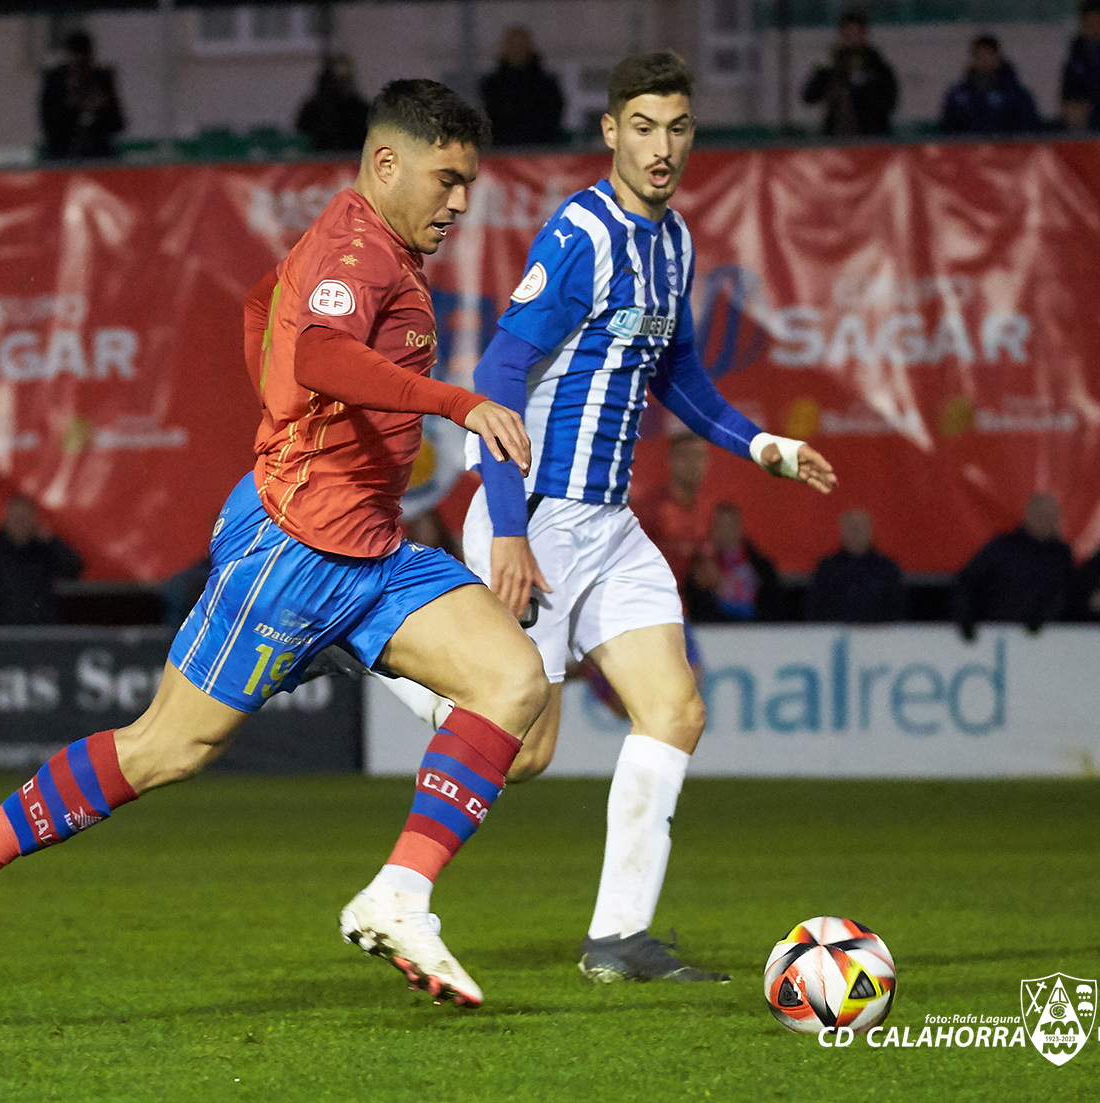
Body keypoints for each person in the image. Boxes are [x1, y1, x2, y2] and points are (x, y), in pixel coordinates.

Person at [0, 80, 546, 1012]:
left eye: (468, 184)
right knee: (167, 748)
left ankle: (399, 895)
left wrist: (283, 411)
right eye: (446, 180)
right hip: (294, 550)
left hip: (367, 550)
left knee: (513, 681)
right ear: (386, 162)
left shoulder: (374, 252)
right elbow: (319, 351)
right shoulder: (354, 248)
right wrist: (456, 402)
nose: (459, 202)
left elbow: (261, 308)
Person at [382, 53, 836, 984]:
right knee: (525, 752)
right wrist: (506, 527)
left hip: (610, 524)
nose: (659, 147)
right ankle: (382, 653)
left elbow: (680, 376)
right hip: (539, 516)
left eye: (675, 127)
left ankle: (618, 940)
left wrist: (763, 448)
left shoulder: (673, 244)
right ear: (610, 133)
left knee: (675, 708)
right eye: (642, 126)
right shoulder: (582, 231)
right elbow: (502, 374)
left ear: (690, 134)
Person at [950, 493, 1074, 640]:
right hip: (993, 633)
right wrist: (965, 618)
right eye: (1042, 516)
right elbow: (968, 581)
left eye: (1052, 518)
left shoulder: (1061, 555)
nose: (1047, 522)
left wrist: (1044, 617)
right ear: (1029, 516)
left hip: (1042, 639)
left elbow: (1065, 593)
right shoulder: (1002, 547)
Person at [0, 496, 84, 626]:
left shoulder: (45, 554)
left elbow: (74, 568)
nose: (20, 525)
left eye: (25, 520)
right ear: (6, 522)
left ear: (34, 523)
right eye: (16, 520)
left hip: (41, 634)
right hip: (3, 635)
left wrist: (51, 541)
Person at [635, 432, 719, 593]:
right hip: (658, 598)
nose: (693, 464)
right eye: (686, 456)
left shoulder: (709, 507)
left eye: (699, 456)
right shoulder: (651, 507)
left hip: (702, 605)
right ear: (670, 461)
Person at [801, 9, 898, 138]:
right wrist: (826, 68)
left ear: (864, 35)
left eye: (857, 34)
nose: (853, 40)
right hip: (838, 137)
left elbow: (889, 101)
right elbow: (809, 96)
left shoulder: (877, 66)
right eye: (848, 35)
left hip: (871, 137)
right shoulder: (831, 65)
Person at [686, 502, 785, 623]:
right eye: (721, 525)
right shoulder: (703, 565)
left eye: (730, 524)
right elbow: (696, 604)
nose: (727, 530)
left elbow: (773, 601)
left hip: (756, 629)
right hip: (718, 629)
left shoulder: (760, 565)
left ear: (739, 526)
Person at [803, 509, 907, 623]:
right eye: (851, 527)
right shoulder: (827, 568)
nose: (856, 532)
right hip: (837, 637)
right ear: (842, 530)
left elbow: (898, 610)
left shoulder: (887, 568)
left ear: (870, 530)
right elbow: (815, 610)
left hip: (879, 636)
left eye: (860, 527)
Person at [39, 30, 126, 161]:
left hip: (98, 158)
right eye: (75, 65)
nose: (79, 71)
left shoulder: (101, 80)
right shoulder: (55, 82)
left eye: (84, 64)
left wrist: (100, 109)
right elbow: (49, 125)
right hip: (61, 158)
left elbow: (118, 123)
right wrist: (75, 104)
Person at [480, 25, 566, 147]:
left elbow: (552, 118)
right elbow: (490, 118)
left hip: (540, 152)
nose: (517, 50)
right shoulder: (491, 85)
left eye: (521, 44)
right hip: (502, 152)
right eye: (513, 45)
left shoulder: (546, 84)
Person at [940, 35, 1041, 135]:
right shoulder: (957, 97)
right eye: (979, 57)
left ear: (998, 58)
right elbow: (948, 133)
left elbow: (1028, 131)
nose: (984, 62)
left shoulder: (1017, 96)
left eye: (989, 56)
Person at [1060, 1, 1100, 133]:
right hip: (1082, 128)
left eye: (1098, 24)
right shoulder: (1075, 56)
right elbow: (1067, 94)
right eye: (1089, 24)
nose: (1094, 30)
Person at [296, 54, 370, 153]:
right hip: (319, 163)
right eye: (338, 79)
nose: (343, 85)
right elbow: (304, 136)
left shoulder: (361, 109)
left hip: (354, 163)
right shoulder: (313, 110)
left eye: (346, 79)